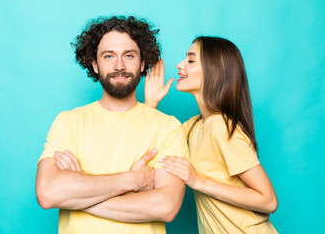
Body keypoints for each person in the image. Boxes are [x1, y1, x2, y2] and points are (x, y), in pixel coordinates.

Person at [35, 16, 188, 234]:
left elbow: (166, 207)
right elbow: (48, 192)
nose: (119, 66)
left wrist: (78, 195)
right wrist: (133, 180)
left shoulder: (168, 127)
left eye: (129, 55)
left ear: (143, 63)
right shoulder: (68, 122)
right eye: (109, 56)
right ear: (95, 65)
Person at [145, 36, 278, 233]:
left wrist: (198, 181)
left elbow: (268, 201)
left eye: (190, 60)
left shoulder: (222, 127)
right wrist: (151, 103)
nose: (180, 64)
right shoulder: (194, 125)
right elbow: (154, 148)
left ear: (214, 70)